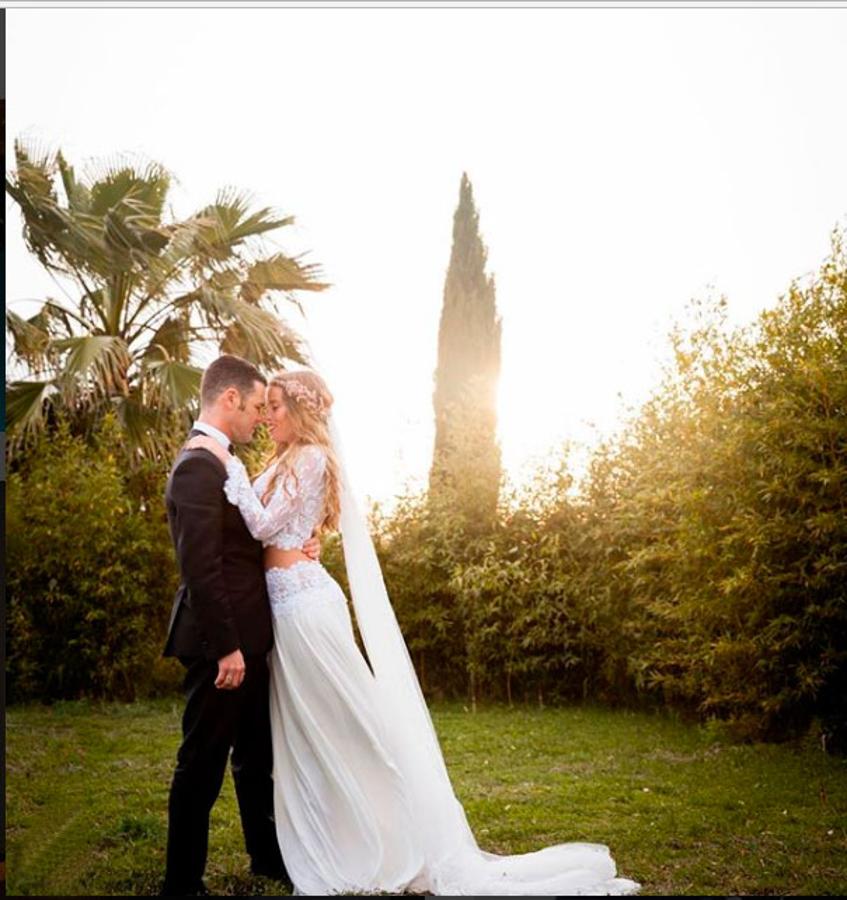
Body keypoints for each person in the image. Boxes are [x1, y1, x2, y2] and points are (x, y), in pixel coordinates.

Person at [187, 367, 640, 896]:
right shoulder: (283, 458)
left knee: (349, 725)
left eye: (277, 408)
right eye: (264, 409)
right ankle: (327, 832)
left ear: (303, 411)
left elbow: (263, 526)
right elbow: (276, 528)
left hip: (305, 609)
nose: (268, 417)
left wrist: (228, 470)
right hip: (283, 605)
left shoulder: (310, 457)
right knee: (311, 733)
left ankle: (397, 835)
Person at [160, 355, 320, 897]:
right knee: (201, 761)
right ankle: (181, 881)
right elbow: (201, 568)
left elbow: (250, 540)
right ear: (229, 400)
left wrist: (302, 544)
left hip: (251, 640)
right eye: (255, 406)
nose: (259, 418)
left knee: (257, 757)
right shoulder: (196, 466)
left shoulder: (225, 462)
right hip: (220, 646)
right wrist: (227, 647)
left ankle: (267, 858)